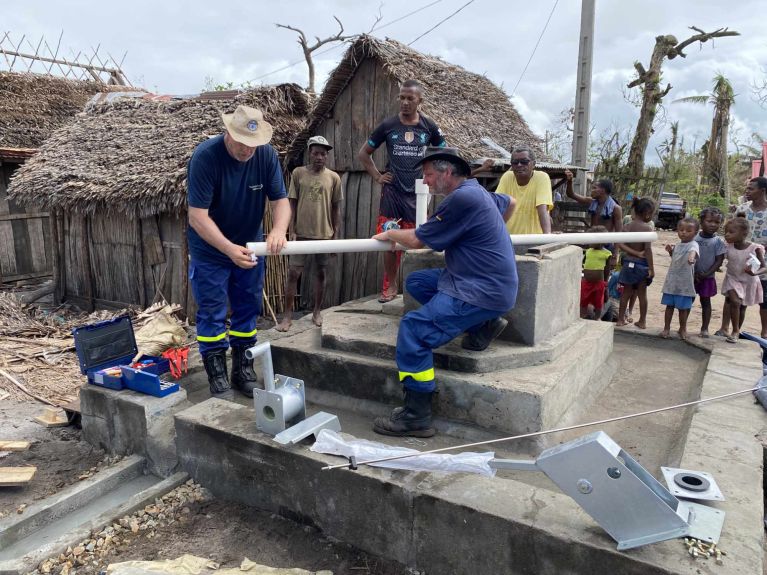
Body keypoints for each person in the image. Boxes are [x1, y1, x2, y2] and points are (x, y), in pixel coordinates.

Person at [370, 147, 517, 437]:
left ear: (447, 172)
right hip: (485, 283)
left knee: (413, 330)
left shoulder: (462, 198)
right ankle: (483, 324)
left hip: (478, 289)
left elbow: (415, 240)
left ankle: (416, 414)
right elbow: (510, 202)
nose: (424, 182)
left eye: (427, 175)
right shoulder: (480, 193)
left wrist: (388, 233)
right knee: (417, 283)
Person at [187, 105, 290, 399]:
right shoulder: (206, 158)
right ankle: (216, 371)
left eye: (253, 146)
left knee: (247, 306)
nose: (248, 151)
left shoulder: (266, 155)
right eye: (242, 143)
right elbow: (197, 217)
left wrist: (279, 230)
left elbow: (280, 201)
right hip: (211, 250)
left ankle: (242, 368)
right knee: (212, 311)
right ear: (228, 134)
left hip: (250, 246)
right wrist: (229, 249)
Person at [358, 79, 446, 303]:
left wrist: (432, 178)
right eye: (402, 98)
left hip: (418, 194)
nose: (405, 102)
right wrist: (378, 176)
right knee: (389, 241)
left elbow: (444, 154)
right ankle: (390, 286)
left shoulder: (429, 127)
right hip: (393, 194)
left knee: (419, 240)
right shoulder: (388, 126)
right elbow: (363, 154)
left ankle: (415, 286)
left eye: (410, 99)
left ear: (420, 101)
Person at [276, 136, 342, 332]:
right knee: (293, 273)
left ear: (327, 156)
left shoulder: (333, 178)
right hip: (302, 233)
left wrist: (335, 234)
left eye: (323, 154)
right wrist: (291, 229)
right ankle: (287, 317)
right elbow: (292, 204)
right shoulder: (298, 174)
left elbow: (336, 208)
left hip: (324, 234)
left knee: (321, 273)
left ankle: (316, 311)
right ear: (309, 153)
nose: (319, 157)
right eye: (316, 153)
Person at [718, 177, 767, 337]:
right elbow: (731, 228)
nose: (747, 191)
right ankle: (725, 328)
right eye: (747, 188)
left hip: (760, 261)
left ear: (763, 191)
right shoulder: (743, 209)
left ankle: (763, 333)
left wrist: (759, 255)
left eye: (751, 188)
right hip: (738, 260)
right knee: (731, 298)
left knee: (762, 300)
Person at [616, 197, 656, 329]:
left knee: (626, 293)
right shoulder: (647, 229)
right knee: (642, 294)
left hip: (628, 264)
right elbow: (648, 250)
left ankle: (620, 319)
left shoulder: (627, 226)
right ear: (647, 213)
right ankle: (642, 321)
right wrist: (651, 268)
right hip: (642, 266)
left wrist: (633, 252)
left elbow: (620, 244)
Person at [496, 146, 552, 235]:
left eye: (524, 162)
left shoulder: (542, 177)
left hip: (533, 240)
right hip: (509, 239)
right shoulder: (507, 177)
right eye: (515, 162)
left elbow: (542, 209)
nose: (519, 165)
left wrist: (547, 236)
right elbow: (497, 206)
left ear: (533, 164)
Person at [660, 218, 700, 340]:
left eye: (688, 230)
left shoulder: (694, 244)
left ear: (695, 232)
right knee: (669, 307)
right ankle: (666, 328)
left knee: (683, 309)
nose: (684, 232)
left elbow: (693, 252)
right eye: (681, 230)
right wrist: (671, 251)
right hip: (672, 282)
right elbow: (675, 258)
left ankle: (683, 328)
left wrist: (691, 258)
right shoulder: (678, 245)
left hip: (684, 283)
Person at [694, 207, 726, 338]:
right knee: (685, 301)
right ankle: (682, 326)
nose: (713, 225)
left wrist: (706, 274)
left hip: (707, 278)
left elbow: (719, 260)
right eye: (709, 221)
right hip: (691, 276)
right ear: (701, 221)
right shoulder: (693, 237)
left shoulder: (718, 241)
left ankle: (704, 328)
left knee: (706, 302)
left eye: (717, 222)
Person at [580, 226, 611, 320]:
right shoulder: (588, 251)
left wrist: (605, 284)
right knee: (583, 299)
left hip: (599, 283)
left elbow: (607, 270)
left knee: (599, 301)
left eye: (591, 239)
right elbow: (584, 264)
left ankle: (597, 317)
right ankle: (582, 315)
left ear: (600, 241)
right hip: (586, 281)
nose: (589, 241)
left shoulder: (607, 253)